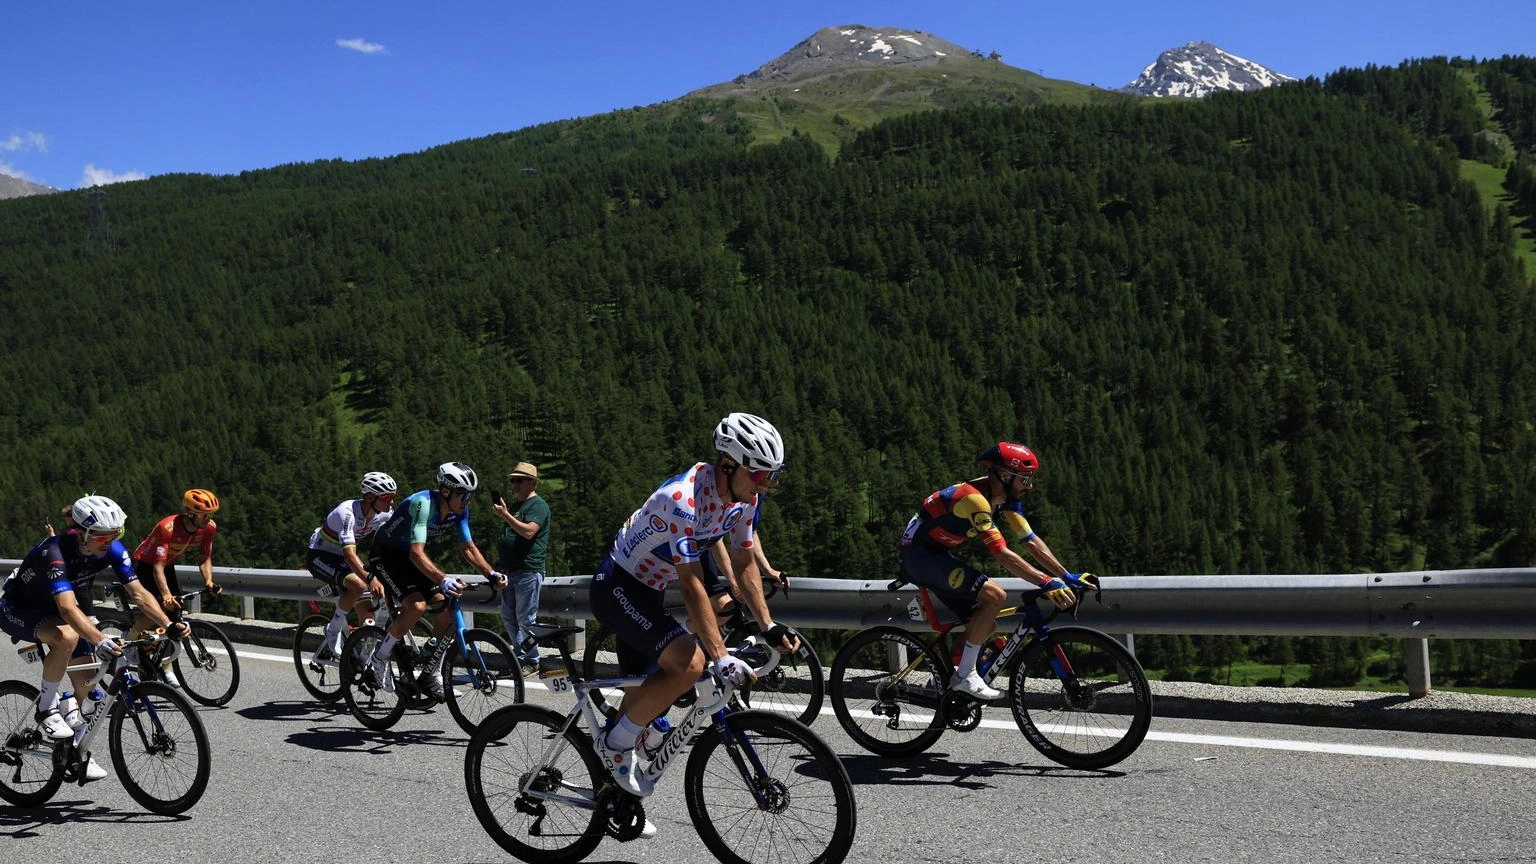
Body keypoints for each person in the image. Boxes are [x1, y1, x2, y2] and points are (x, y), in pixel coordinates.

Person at [589, 412, 799, 798]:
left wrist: (769, 626)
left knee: (642, 699)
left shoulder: (743, 499)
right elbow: (691, 583)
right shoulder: (683, 499)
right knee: (691, 662)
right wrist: (719, 654)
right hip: (618, 586)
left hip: (650, 592)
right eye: (759, 475)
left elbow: (745, 561)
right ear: (727, 465)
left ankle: (611, 797)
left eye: (773, 476)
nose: (766, 486)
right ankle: (615, 749)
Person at [0, 496, 185, 781]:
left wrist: (169, 624)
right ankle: (46, 707)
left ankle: (77, 752)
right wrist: (100, 639)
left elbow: (139, 594)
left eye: (115, 535)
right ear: (82, 533)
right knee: (66, 636)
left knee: (88, 684)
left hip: (59, 606)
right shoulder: (55, 552)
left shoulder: (111, 549)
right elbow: (67, 608)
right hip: (19, 607)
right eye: (101, 537)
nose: (108, 542)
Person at [897, 442, 1095, 701]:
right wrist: (1047, 582)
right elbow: (1000, 553)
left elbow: (1030, 541)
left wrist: (1065, 575)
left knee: (985, 624)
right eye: (1025, 479)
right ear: (1004, 475)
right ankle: (965, 676)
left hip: (937, 554)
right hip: (919, 556)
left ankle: (942, 683)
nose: (1030, 485)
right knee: (994, 595)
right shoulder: (974, 499)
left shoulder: (1005, 499)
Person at [362, 462, 505, 700]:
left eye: (470, 495)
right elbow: (417, 553)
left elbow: (468, 547)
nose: (467, 500)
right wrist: (443, 578)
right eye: (463, 494)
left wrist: (491, 574)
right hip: (386, 555)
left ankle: (430, 673)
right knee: (416, 606)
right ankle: (378, 658)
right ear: (447, 491)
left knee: (447, 611)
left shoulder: (460, 510)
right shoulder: (422, 504)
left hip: (410, 558)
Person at [305, 472, 397, 667]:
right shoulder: (346, 512)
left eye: (393, 496)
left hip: (343, 560)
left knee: (369, 618)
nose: (391, 501)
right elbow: (349, 555)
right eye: (387, 497)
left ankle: (361, 659)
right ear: (370, 498)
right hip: (320, 556)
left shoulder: (384, 514)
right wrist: (370, 578)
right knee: (358, 584)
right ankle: (333, 629)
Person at [490, 461, 550, 678]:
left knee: (525, 618)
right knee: (509, 617)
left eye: (519, 480)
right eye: (512, 480)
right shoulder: (515, 506)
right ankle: (519, 657)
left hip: (527, 570)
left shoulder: (538, 506)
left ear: (532, 483)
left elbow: (528, 532)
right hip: (508, 570)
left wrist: (505, 515)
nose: (514, 484)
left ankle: (532, 660)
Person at [130, 488, 222, 625]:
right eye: (204, 515)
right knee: (161, 607)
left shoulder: (209, 528)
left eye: (211, 515)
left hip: (166, 564)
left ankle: (162, 643)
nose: (208, 519)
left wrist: (208, 581)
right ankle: (131, 635)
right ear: (191, 514)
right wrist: (166, 595)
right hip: (144, 564)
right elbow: (158, 568)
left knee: (177, 604)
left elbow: (205, 558)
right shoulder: (168, 528)